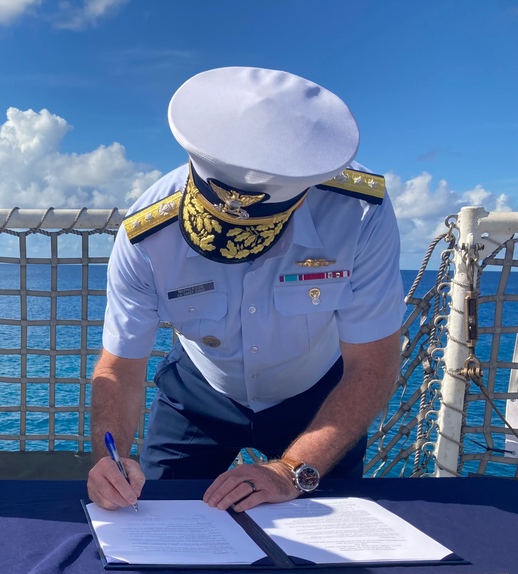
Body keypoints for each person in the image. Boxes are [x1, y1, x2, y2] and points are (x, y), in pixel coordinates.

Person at [88, 66, 404, 513]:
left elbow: (373, 364)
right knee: (153, 518)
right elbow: (119, 367)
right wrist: (110, 459)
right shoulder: (147, 232)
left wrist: (294, 469)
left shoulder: (358, 213)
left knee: (325, 543)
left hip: (318, 394)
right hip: (199, 391)